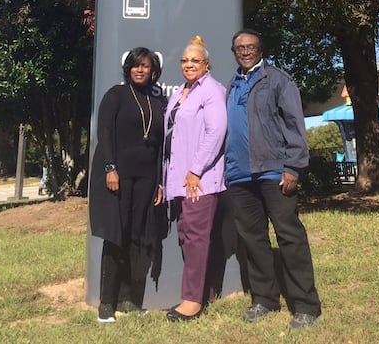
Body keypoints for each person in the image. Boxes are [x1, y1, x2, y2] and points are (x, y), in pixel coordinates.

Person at [225, 29, 321, 330]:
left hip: (274, 172)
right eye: (240, 48)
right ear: (234, 52)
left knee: (289, 237)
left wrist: (293, 167)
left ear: (260, 48)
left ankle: (306, 305)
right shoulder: (232, 84)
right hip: (240, 176)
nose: (245, 51)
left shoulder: (279, 79)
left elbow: (295, 125)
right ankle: (264, 298)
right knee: (252, 240)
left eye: (251, 46)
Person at [89, 47, 166, 323]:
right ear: (128, 69)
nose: (140, 70)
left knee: (135, 238)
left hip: (146, 179)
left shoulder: (156, 101)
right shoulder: (116, 95)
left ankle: (126, 298)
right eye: (135, 65)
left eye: (145, 66)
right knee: (116, 236)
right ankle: (106, 302)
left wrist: (159, 183)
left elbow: (159, 146)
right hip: (118, 177)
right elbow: (105, 133)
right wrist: (111, 168)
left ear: (153, 70)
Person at [163, 36, 228, 321]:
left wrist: (195, 169)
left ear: (207, 64)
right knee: (187, 235)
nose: (189, 64)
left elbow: (216, 132)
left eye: (195, 60)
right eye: (185, 60)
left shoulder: (211, 91)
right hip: (180, 179)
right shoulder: (180, 91)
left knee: (195, 238)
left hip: (200, 180)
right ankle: (204, 292)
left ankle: (192, 302)